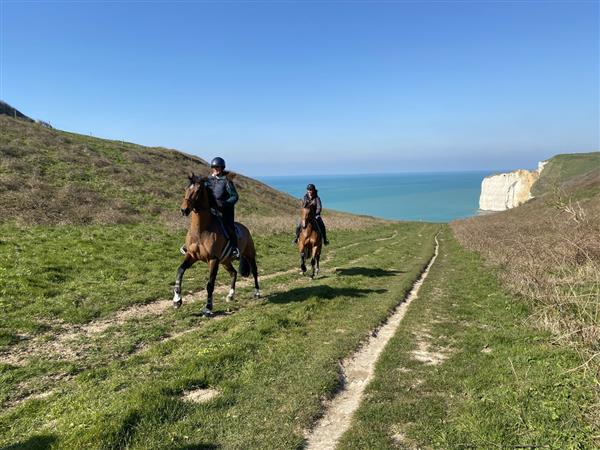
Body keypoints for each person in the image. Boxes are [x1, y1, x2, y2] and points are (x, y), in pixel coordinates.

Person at [206, 157, 240, 258]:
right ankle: (189, 245)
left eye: (218, 167)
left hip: (224, 212)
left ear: (222, 168)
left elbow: (235, 196)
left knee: (229, 227)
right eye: (214, 167)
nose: (216, 169)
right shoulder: (208, 180)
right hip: (211, 211)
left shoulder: (227, 181)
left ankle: (234, 249)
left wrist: (225, 204)